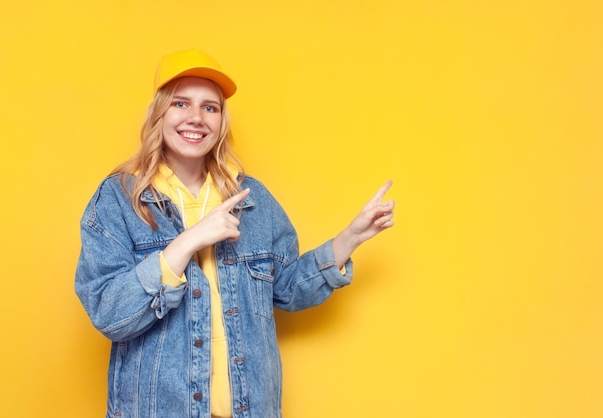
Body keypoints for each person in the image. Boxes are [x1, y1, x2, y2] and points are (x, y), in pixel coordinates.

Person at [75, 49, 395, 418]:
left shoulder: (252, 199)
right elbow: (109, 313)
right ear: (159, 113)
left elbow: (288, 289)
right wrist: (189, 240)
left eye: (210, 107)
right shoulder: (119, 200)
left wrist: (351, 237)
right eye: (181, 103)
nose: (196, 118)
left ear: (222, 121)